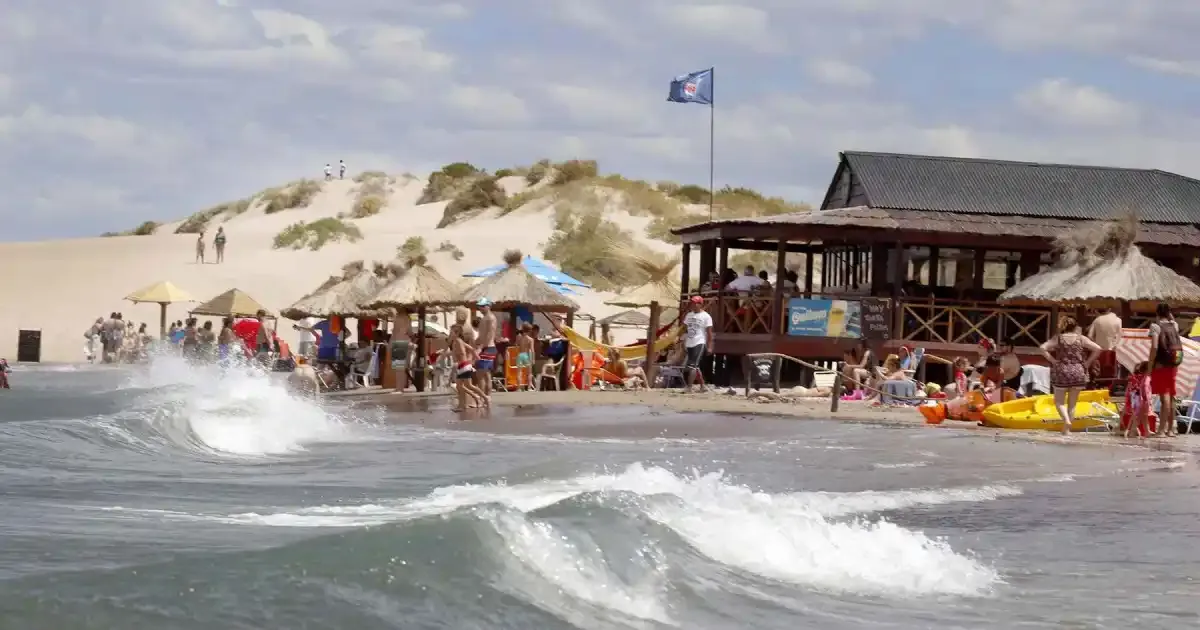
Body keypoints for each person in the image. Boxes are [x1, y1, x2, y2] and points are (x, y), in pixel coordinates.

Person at [1040, 316, 1102, 435]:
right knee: (1072, 404)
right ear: (1075, 326)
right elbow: (1098, 348)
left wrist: (1053, 361)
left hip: (1062, 370)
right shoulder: (1081, 338)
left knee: (1059, 402)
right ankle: (1067, 430)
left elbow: (1043, 348)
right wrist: (1088, 363)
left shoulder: (1058, 338)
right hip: (1078, 371)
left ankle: (1066, 421)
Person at [1148, 302, 1183, 437]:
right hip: (1174, 364)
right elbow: (1172, 319)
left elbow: (1155, 347)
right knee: (1171, 395)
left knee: (1165, 397)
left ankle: (1161, 430)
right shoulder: (1174, 325)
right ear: (1169, 313)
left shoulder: (1155, 326)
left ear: (1157, 313)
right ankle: (1171, 429)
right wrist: (1169, 313)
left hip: (1161, 364)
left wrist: (1150, 364)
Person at [449, 323, 486, 411]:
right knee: (461, 386)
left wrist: (457, 356)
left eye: (451, 332)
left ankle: (483, 397)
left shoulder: (458, 341)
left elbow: (462, 352)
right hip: (463, 365)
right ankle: (463, 405)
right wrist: (476, 356)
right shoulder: (457, 341)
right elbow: (471, 348)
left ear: (457, 333)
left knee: (467, 385)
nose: (450, 334)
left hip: (464, 365)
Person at [681, 295, 712, 393]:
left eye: (694, 303)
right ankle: (703, 386)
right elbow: (684, 329)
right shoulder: (689, 315)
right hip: (689, 342)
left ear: (700, 304)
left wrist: (710, 346)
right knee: (695, 366)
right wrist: (682, 341)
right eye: (691, 303)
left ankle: (689, 387)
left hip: (699, 342)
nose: (692, 305)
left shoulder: (706, 316)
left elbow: (710, 333)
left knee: (691, 366)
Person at [1087, 307, 1122, 386]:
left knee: (1099, 373)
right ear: (1109, 310)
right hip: (1112, 351)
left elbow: (1089, 336)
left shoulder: (1097, 320)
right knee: (1111, 372)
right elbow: (1120, 337)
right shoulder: (1118, 320)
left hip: (1099, 351)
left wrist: (1095, 344)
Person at [473, 298, 497, 401]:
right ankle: (487, 397)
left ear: (488, 306)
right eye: (480, 306)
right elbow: (482, 335)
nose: (480, 308)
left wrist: (481, 347)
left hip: (488, 348)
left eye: (483, 306)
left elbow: (489, 335)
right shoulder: (485, 318)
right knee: (486, 374)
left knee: (480, 375)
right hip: (485, 347)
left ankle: (483, 398)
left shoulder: (491, 318)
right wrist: (474, 344)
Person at [1123, 361, 1153, 439]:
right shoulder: (1147, 377)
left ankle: (1147, 431)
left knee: (1143, 416)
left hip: (1139, 398)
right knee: (1140, 416)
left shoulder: (1142, 377)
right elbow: (1145, 387)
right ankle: (1132, 431)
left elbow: (1131, 389)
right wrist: (1146, 398)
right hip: (1144, 399)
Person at [515, 323, 535, 389]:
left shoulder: (519, 337)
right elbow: (532, 350)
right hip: (526, 355)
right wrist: (533, 359)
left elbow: (516, 345)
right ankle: (529, 387)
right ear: (530, 330)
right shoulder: (530, 339)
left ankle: (518, 387)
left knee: (519, 372)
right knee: (529, 372)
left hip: (520, 354)